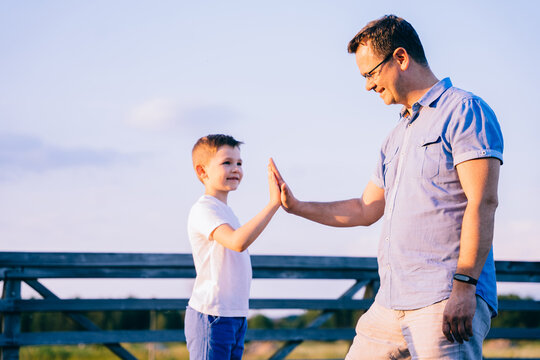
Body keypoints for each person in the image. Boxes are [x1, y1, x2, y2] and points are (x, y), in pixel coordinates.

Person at [270, 14, 503, 359]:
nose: (366, 85)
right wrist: (298, 205)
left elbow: (482, 202)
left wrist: (465, 286)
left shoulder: (465, 111)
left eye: (370, 73)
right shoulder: (394, 138)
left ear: (401, 58)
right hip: (390, 302)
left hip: (443, 296)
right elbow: (365, 209)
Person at [185, 134, 281, 359]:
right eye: (226, 162)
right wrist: (273, 204)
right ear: (202, 171)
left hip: (235, 316)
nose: (235, 168)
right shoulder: (204, 209)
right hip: (212, 316)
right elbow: (237, 242)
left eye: (239, 163)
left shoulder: (226, 211)